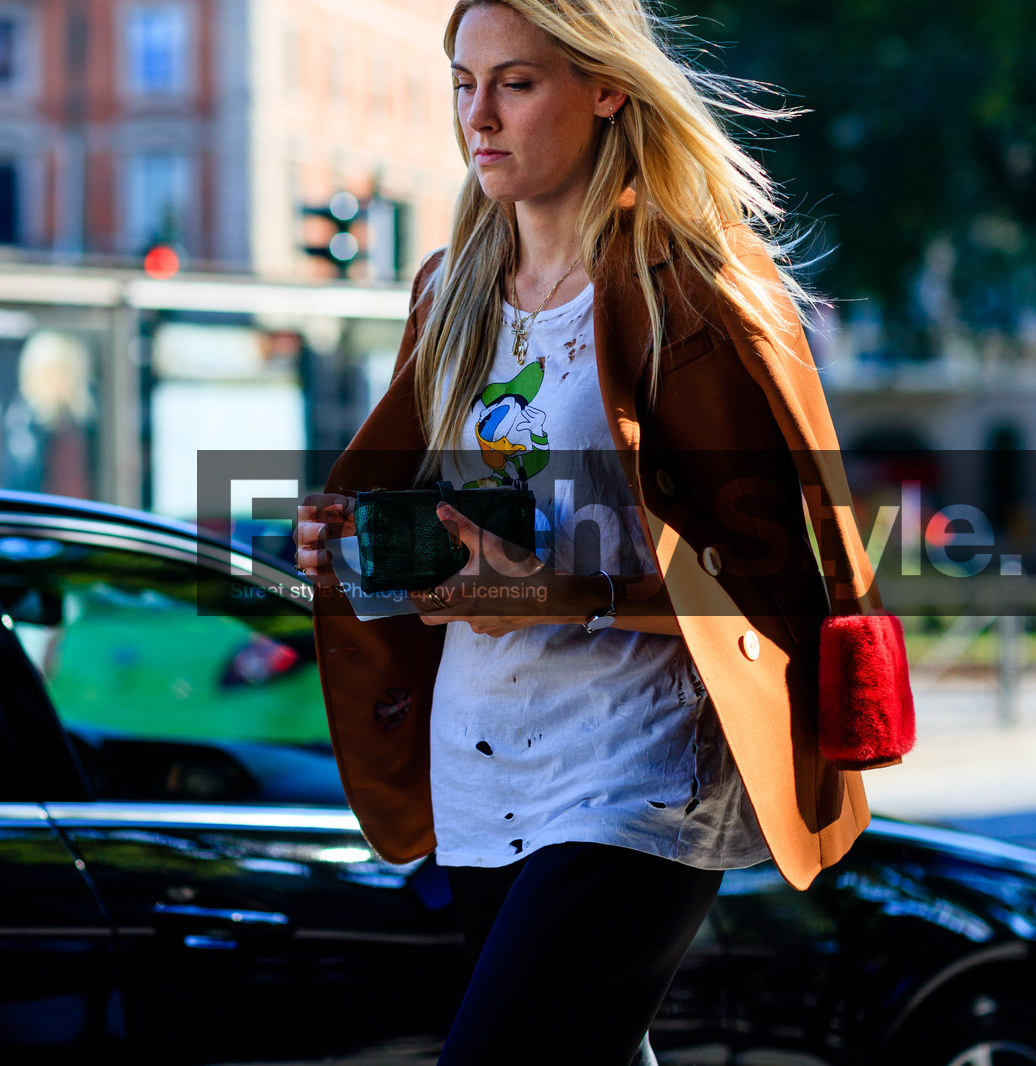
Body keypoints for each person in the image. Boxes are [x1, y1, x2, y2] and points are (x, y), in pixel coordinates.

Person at [294, 1, 891, 1062]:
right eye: (462, 85)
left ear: (605, 86)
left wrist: (579, 592)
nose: (479, 118)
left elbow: (773, 589)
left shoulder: (696, 293)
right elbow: (459, 541)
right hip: (480, 759)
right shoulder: (450, 292)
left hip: (638, 768)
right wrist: (357, 555)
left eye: (515, 85)